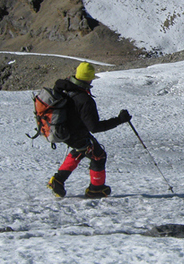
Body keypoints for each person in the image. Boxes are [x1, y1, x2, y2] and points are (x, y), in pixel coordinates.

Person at [47, 62, 131, 198]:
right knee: (98, 155)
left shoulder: (67, 88)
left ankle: (58, 180)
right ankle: (96, 189)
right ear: (88, 78)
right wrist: (119, 120)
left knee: (81, 149)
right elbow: (94, 127)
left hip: (66, 131)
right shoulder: (84, 99)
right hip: (76, 133)